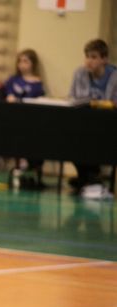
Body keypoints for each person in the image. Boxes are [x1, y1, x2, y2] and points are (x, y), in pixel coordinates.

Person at [69, 39, 117, 196]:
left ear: (104, 59)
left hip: (107, 125)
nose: (89, 61)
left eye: (94, 57)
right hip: (84, 123)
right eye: (87, 56)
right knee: (70, 138)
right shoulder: (79, 73)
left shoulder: (114, 76)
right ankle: (89, 178)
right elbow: (73, 98)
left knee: (94, 140)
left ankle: (89, 178)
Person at [5, 49, 46, 189]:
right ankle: (20, 164)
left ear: (33, 64)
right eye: (20, 61)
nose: (22, 64)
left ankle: (32, 166)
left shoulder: (38, 83)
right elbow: (9, 98)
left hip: (32, 121)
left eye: (25, 61)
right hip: (14, 119)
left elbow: (37, 101)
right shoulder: (13, 80)